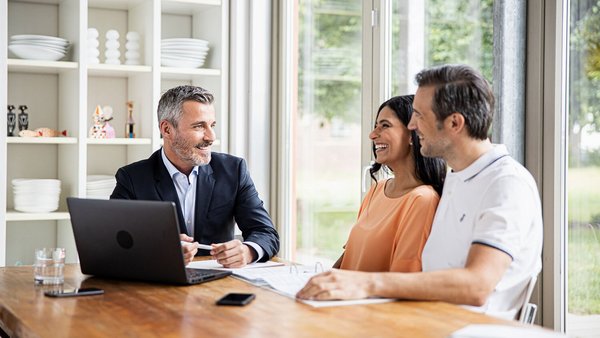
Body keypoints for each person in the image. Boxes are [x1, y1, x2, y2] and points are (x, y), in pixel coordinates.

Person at [297, 64, 543, 320]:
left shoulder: (506, 184)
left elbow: (477, 285)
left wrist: (367, 283)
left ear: (454, 123)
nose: (412, 125)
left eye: (419, 116)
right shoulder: (457, 179)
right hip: (427, 322)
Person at [110, 85, 279, 268]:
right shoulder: (132, 178)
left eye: (212, 125)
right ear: (167, 130)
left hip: (218, 284)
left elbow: (265, 232)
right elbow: (113, 241)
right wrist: (155, 250)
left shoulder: (234, 170)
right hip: (157, 284)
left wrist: (247, 252)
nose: (211, 136)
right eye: (199, 126)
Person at [332, 95, 446, 273]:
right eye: (375, 126)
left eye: (385, 125)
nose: (372, 135)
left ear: (413, 134)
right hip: (340, 298)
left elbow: (403, 277)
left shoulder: (423, 200)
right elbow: (347, 258)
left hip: (368, 300)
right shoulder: (377, 189)